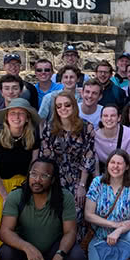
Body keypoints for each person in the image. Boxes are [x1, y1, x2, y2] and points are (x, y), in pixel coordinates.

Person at [0, 158, 86, 260]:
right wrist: (27, 247)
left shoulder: (65, 197)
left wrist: (58, 257)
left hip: (53, 247)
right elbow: (5, 231)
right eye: (33, 174)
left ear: (52, 180)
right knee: (5, 252)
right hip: (26, 249)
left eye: (44, 176)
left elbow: (70, 232)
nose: (37, 180)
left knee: (76, 256)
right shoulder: (16, 196)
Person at [0, 98, 41, 260]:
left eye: (21, 113)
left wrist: (28, 191)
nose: (17, 117)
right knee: (1, 227)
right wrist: (5, 196)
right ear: (7, 117)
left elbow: (33, 167)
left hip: (24, 185)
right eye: (13, 113)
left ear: (27, 118)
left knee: (25, 226)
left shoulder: (32, 138)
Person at [38, 91, 96, 244]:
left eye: (67, 105)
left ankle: (76, 255)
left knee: (77, 216)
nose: (63, 109)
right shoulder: (49, 128)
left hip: (79, 178)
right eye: (59, 106)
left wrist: (82, 185)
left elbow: (88, 156)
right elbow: (46, 157)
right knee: (55, 215)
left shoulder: (86, 127)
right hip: (56, 178)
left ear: (74, 106)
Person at [85, 149, 130, 260]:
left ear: (127, 166)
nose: (115, 166)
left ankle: (118, 259)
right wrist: (113, 225)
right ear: (107, 164)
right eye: (112, 162)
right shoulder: (97, 183)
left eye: (120, 163)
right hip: (101, 237)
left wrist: (118, 230)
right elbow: (88, 215)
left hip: (125, 235)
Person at [95, 105, 130, 172]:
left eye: (113, 116)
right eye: (105, 116)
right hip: (102, 171)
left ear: (119, 118)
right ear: (101, 118)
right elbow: (95, 164)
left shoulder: (129, 134)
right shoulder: (95, 136)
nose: (109, 119)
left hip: (123, 171)